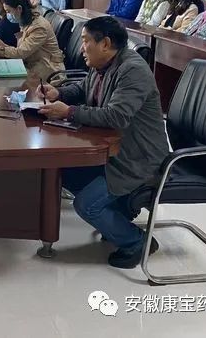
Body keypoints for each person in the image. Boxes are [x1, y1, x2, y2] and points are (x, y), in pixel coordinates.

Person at [37, 16, 169, 269]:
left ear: (105, 43)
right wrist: (59, 93)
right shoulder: (104, 64)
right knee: (62, 170)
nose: (81, 48)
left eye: (85, 41)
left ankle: (137, 242)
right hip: (112, 149)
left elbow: (116, 116)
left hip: (137, 158)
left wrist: (69, 112)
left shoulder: (132, 70)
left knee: (87, 205)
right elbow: (84, 89)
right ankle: (120, 210)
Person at [0, 0, 65, 82]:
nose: (7, 15)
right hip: (34, 65)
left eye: (8, 11)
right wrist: (3, 46)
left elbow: (21, 53)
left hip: (50, 71)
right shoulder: (25, 21)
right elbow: (23, 49)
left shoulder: (38, 27)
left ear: (19, 8)